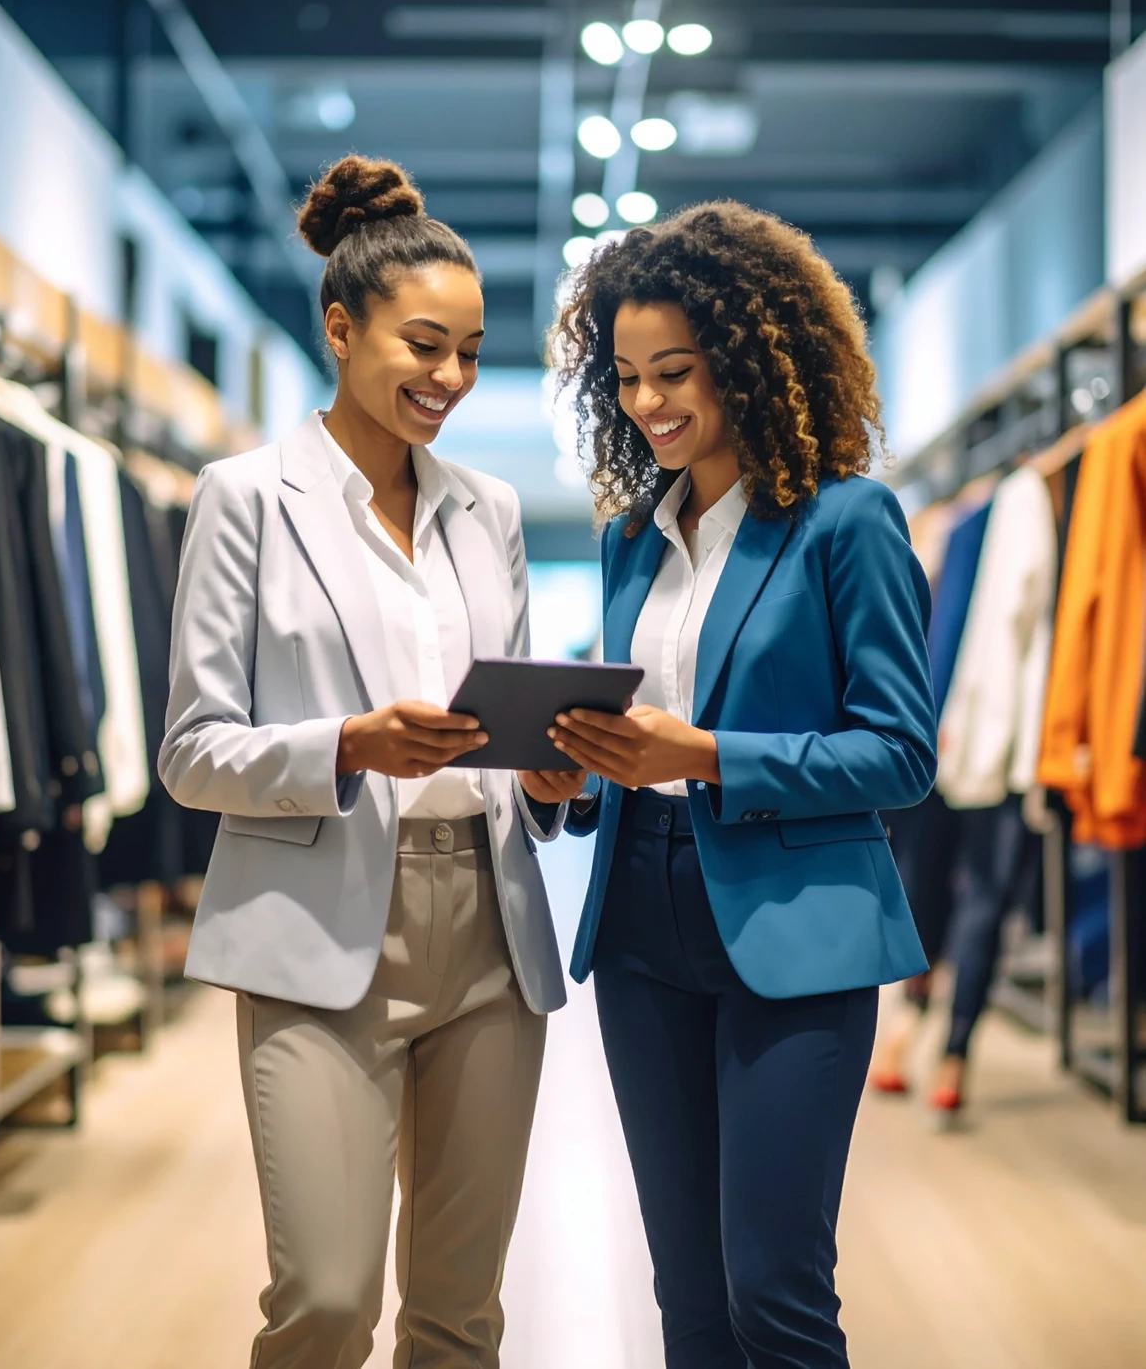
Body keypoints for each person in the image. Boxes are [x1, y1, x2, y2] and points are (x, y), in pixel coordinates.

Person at [159, 154, 583, 1369]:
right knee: (328, 1302)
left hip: (490, 930)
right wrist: (349, 745)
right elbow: (193, 751)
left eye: (470, 350)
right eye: (423, 346)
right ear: (341, 330)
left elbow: (509, 730)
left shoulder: (489, 511)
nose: (450, 378)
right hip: (314, 931)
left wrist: (551, 780)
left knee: (460, 1317)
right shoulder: (243, 498)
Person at [546, 202, 938, 1369]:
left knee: (775, 1288)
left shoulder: (845, 522)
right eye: (625, 377)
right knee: (690, 1298)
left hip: (795, 930)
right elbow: (636, 745)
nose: (649, 403)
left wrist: (706, 757)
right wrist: (575, 770)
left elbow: (902, 753)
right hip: (638, 924)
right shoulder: (632, 538)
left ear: (753, 357)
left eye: (676, 370)